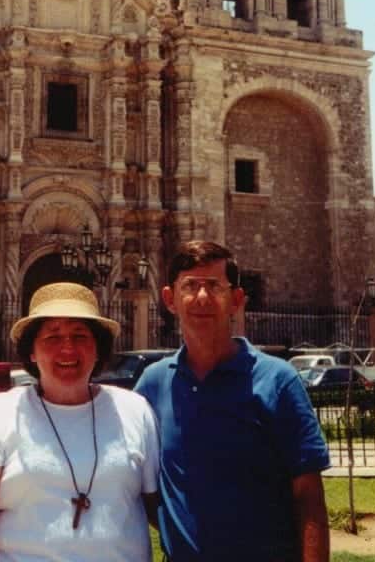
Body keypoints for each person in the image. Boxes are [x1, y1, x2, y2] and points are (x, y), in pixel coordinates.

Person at [135, 240, 330, 562]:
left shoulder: (277, 380)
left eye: (214, 286)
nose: (201, 297)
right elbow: (145, 487)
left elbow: (308, 497)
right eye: (190, 286)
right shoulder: (152, 385)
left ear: (236, 299)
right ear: (170, 299)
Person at [0, 282, 159, 562]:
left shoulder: (134, 410)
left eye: (80, 335)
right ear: (32, 352)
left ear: (98, 348)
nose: (67, 348)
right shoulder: (0, 413)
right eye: (52, 337)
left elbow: (160, 511)